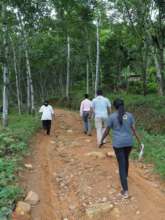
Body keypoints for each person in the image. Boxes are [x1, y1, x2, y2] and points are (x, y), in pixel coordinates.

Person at [99, 98, 141, 199]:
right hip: (129, 143)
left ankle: (125, 191)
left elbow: (107, 131)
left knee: (121, 164)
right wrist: (139, 142)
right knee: (126, 159)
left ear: (114, 106)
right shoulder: (130, 115)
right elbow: (134, 130)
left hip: (118, 144)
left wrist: (101, 140)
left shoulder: (112, 116)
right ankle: (125, 176)